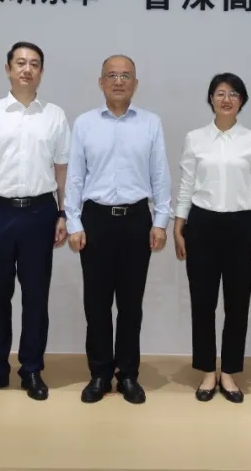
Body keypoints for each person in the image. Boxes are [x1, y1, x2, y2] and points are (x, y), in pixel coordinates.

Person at [0, 41, 71, 401]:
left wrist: (63, 212)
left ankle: (32, 369)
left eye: (34, 64)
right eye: (21, 63)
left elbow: (62, 169)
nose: (27, 69)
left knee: (36, 296)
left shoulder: (54, 115)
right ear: (8, 68)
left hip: (40, 212)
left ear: (41, 71)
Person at [64, 55, 171, 405]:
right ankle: (99, 373)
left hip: (136, 220)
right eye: (112, 75)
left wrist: (160, 221)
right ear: (101, 82)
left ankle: (127, 374)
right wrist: (74, 221)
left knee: (130, 304)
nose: (119, 81)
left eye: (126, 76)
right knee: (96, 303)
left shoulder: (151, 123)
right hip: (95, 220)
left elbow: (160, 174)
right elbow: (75, 176)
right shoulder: (85, 123)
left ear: (135, 83)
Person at [172, 72, 251, 404]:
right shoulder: (195, 138)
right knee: (202, 302)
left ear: (242, 101)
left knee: (237, 304)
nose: (226, 99)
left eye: (233, 94)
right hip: (202, 224)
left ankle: (228, 371)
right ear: (211, 99)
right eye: (220, 93)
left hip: (243, 226)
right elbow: (187, 184)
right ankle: (207, 371)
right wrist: (179, 225)